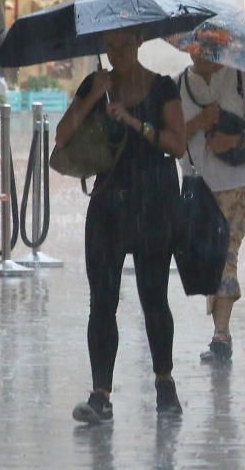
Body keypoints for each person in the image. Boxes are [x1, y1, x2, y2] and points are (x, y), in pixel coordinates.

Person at [55, 27, 187, 423]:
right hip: (109, 203)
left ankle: (164, 383)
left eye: (123, 45)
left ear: (138, 43)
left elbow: (176, 144)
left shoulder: (162, 87)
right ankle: (101, 394)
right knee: (102, 301)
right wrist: (93, 95)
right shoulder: (95, 84)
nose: (116, 53)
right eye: (109, 46)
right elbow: (61, 137)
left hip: (154, 200)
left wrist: (133, 121)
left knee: (154, 297)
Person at [177, 54, 245, 362]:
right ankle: (221, 332)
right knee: (209, 255)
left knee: (225, 251)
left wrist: (234, 140)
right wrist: (200, 123)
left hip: (241, 183)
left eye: (206, 46)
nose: (198, 53)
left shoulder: (240, 79)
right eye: (194, 46)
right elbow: (174, 141)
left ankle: (221, 335)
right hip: (200, 186)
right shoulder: (179, 84)